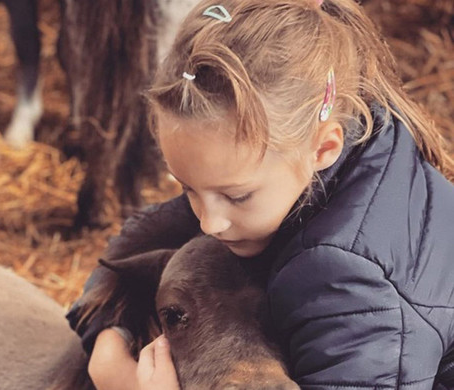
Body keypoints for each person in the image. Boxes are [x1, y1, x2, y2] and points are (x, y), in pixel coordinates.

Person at [66, 0, 454, 388]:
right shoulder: (299, 167)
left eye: (235, 197)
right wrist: (109, 342)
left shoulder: (345, 280)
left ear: (322, 149)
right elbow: (134, 242)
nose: (208, 221)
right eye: (187, 188)